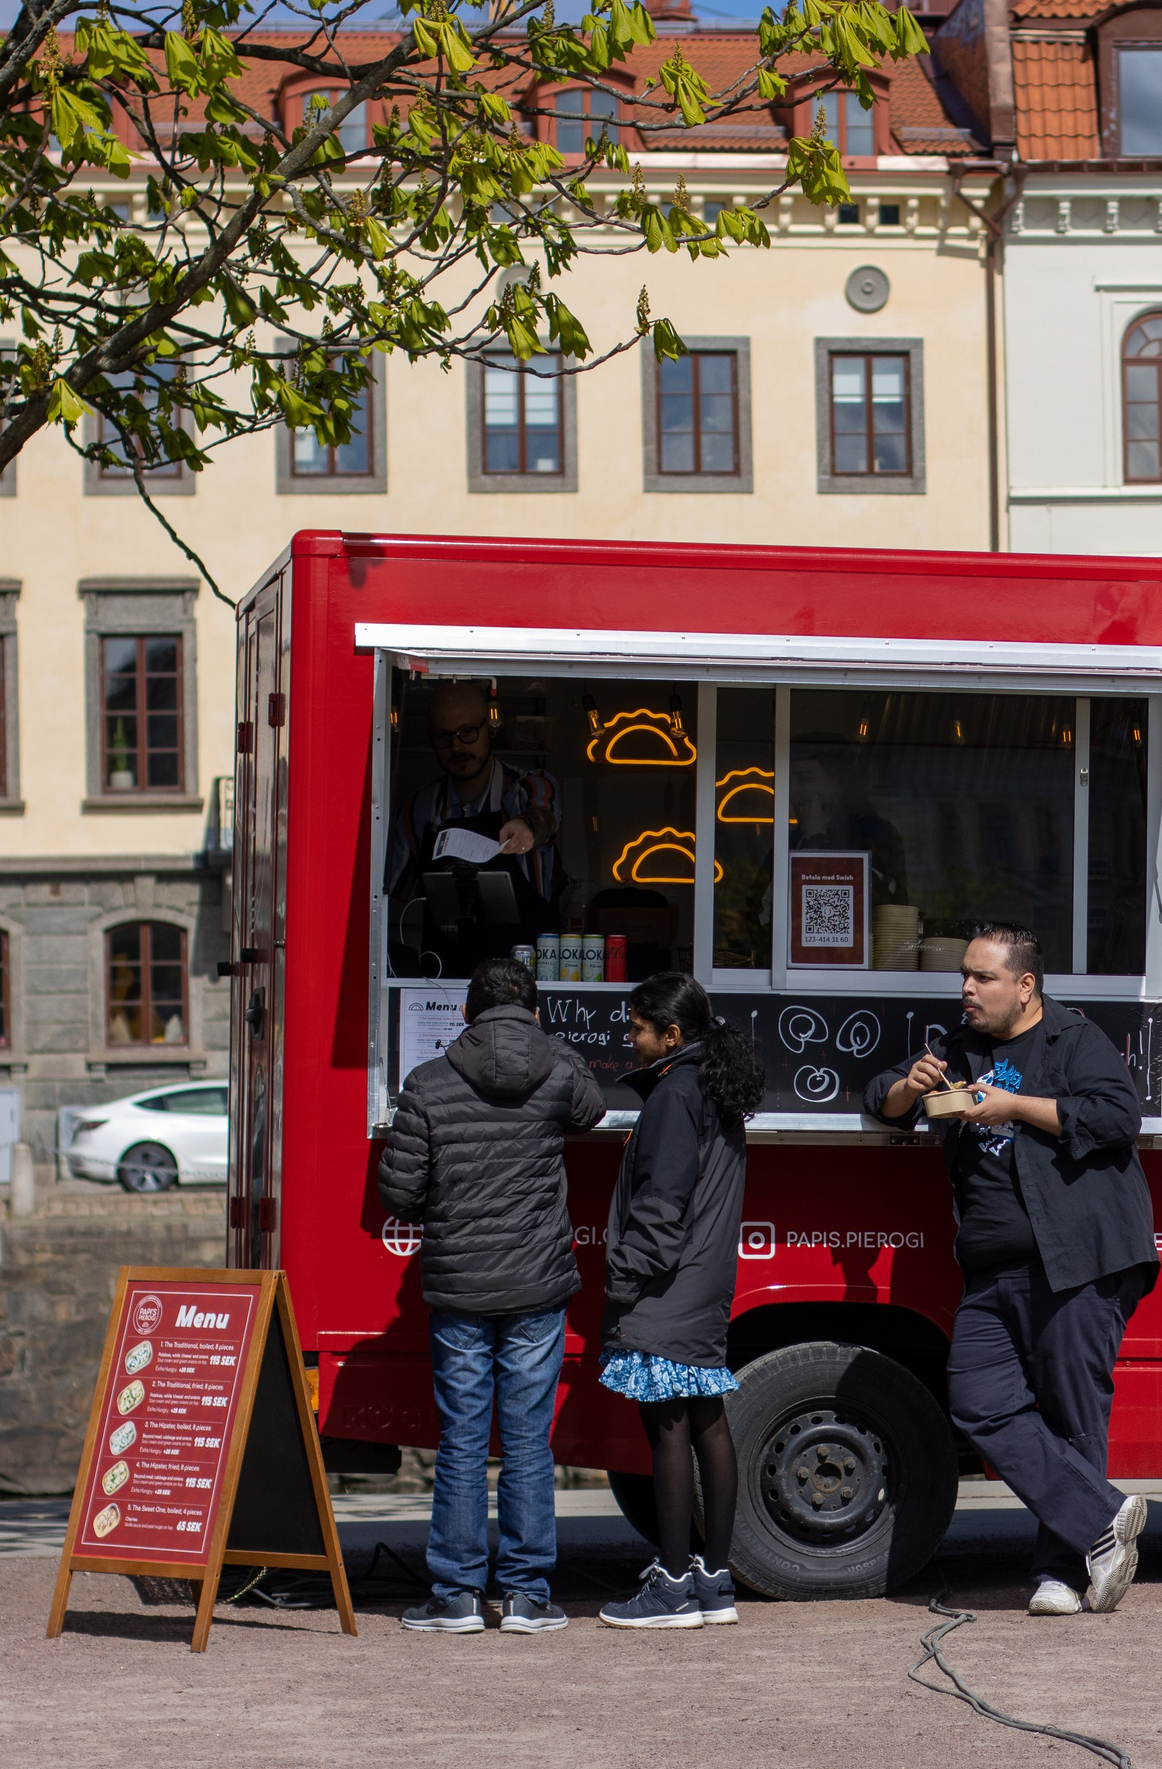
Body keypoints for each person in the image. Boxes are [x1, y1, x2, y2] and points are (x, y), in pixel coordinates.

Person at [865, 922, 1153, 1616]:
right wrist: (912, 1082)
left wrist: (1012, 1105)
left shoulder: (1072, 1038)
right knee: (976, 1399)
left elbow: (1119, 1116)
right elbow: (880, 1099)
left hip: (1076, 1260)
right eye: (965, 975)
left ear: (1025, 985)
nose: (966, 988)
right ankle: (1101, 1522)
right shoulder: (957, 1046)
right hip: (992, 1269)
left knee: (1071, 1415)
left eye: (983, 977)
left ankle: (1060, 1571)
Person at [376, 955, 604, 1634]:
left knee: (463, 1440)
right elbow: (592, 1112)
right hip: (536, 1283)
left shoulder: (427, 1082)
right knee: (530, 1440)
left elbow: (399, 1193)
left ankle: (456, 1596)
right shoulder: (558, 1068)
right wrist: (552, 1041)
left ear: (468, 1012)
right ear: (533, 1011)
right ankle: (529, 1594)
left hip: (460, 1285)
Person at [596, 971, 760, 1631]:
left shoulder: (674, 1094)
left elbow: (660, 1206)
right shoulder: (714, 1087)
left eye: (637, 1028)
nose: (629, 1039)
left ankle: (670, 1586)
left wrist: (623, 1278)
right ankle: (713, 1581)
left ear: (671, 1033)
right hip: (704, 1280)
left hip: (665, 1283)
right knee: (706, 1423)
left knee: (666, 1430)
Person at [384, 680, 564, 962]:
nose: (457, 746)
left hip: (524, 972)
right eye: (444, 737)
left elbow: (544, 815)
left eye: (467, 732)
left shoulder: (525, 788)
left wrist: (527, 825)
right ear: (430, 736)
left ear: (489, 728)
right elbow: (387, 900)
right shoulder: (418, 808)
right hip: (443, 979)